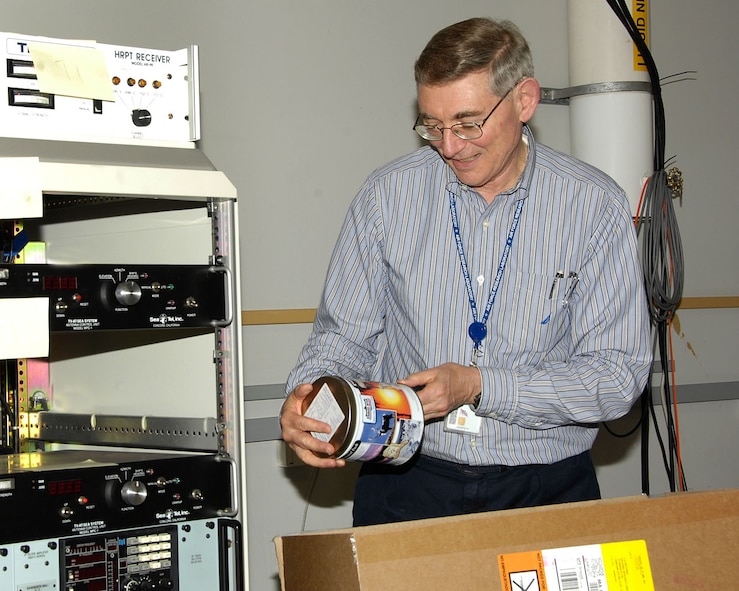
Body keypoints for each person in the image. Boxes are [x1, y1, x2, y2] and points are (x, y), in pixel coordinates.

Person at [280, 17, 652, 526]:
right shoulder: (387, 197)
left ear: (524, 101)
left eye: (468, 123)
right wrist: (308, 396)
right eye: (432, 126)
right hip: (406, 484)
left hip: (546, 488)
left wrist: (481, 385)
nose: (450, 146)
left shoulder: (592, 206)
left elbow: (616, 376)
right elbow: (342, 339)